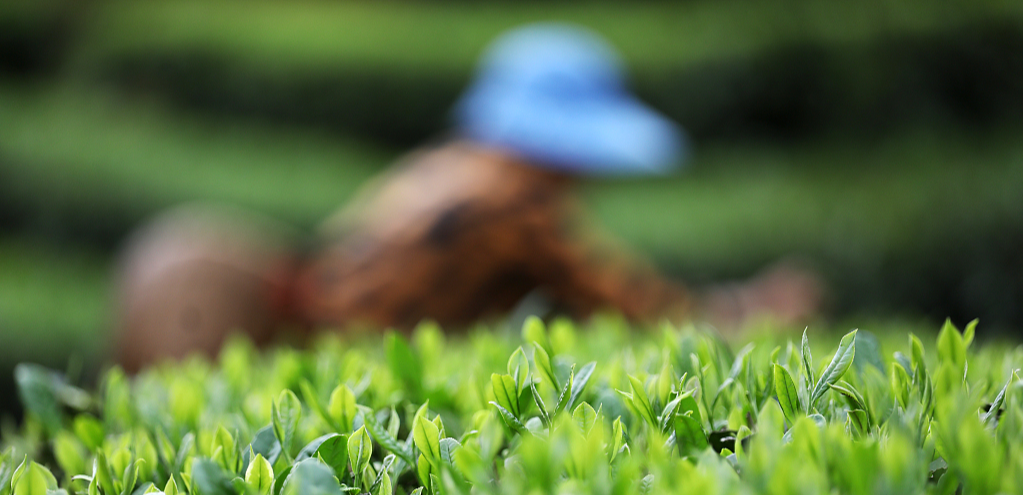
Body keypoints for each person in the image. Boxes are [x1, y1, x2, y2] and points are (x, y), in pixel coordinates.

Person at [114, 23, 821, 371]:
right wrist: (741, 311)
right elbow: (621, 298)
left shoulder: (441, 166)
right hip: (356, 360)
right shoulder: (512, 207)